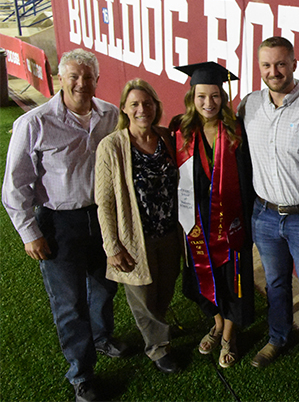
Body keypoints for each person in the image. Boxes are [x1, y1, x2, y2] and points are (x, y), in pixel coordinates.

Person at [2, 48, 125, 402]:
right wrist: (30, 233)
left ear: (97, 80)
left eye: (88, 77)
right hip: (58, 222)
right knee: (70, 303)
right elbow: (15, 185)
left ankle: (102, 338)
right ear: (59, 78)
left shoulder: (110, 115)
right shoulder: (34, 123)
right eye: (74, 76)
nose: (81, 84)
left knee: (104, 288)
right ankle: (81, 375)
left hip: (103, 219)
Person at [237, 36, 299, 378]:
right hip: (265, 215)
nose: (274, 72)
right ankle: (278, 337)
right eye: (266, 65)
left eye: (280, 64)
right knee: (275, 283)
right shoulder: (249, 105)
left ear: (294, 64)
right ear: (259, 68)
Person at [95, 79, 181, 374]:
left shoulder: (165, 137)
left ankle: (160, 330)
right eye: (134, 104)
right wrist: (112, 246)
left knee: (164, 289)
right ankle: (158, 348)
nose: (141, 109)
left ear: (156, 106)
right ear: (124, 109)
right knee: (143, 297)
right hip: (135, 237)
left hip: (169, 233)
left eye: (147, 103)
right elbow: (104, 201)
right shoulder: (112, 146)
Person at [173, 61, 255, 368]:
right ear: (192, 98)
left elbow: (247, 178)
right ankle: (218, 322)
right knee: (203, 274)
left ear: (223, 96)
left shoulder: (235, 131)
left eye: (215, 96)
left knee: (232, 278)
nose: (209, 103)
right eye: (201, 97)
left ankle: (229, 336)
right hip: (196, 222)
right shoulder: (181, 132)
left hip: (232, 220)